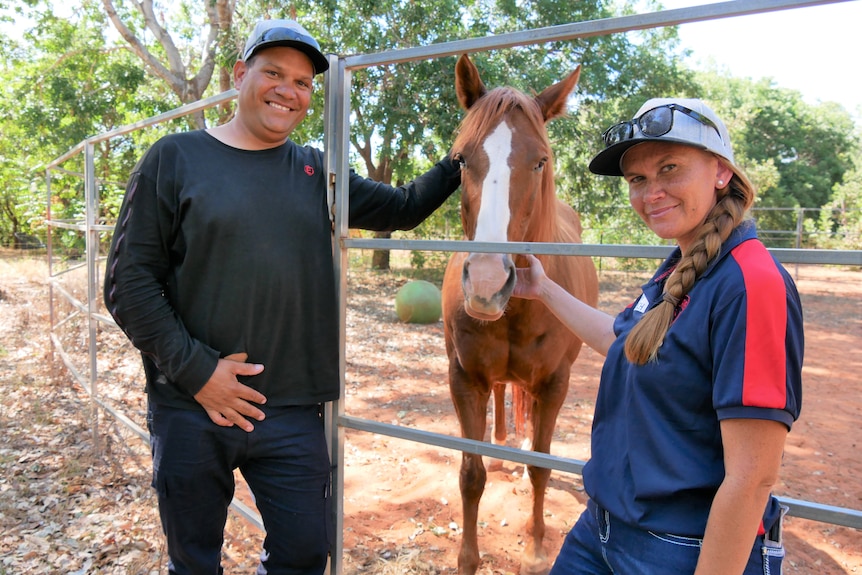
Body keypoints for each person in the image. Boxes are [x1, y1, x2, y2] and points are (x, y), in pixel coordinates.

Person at [103, 18, 460, 575]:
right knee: (193, 562)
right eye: (274, 73)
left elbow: (403, 207)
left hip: (291, 410)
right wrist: (199, 372)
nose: (288, 91)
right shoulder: (175, 158)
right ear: (241, 74)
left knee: (302, 555)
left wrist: (466, 152)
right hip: (191, 406)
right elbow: (128, 282)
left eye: (302, 82)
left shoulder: (318, 172)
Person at [512, 98, 803, 575]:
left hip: (679, 549)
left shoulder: (750, 282)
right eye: (638, 180)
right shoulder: (679, 268)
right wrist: (543, 289)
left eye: (670, 168)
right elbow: (627, 343)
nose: (652, 193)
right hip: (602, 529)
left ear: (721, 171)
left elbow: (753, 478)